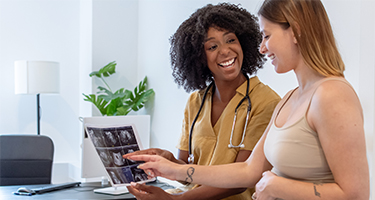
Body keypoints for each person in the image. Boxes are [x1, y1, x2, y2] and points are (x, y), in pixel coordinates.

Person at [125, 0, 370, 199]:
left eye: (267, 36)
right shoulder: (290, 99)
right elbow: (249, 171)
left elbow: (356, 194)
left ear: (295, 31)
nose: (262, 48)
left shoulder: (332, 95)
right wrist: (173, 168)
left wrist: (277, 186)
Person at [123, 3, 280, 200]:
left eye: (231, 40)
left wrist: (176, 199)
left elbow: (242, 180)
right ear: (199, 56)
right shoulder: (195, 102)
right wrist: (168, 161)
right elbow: (187, 174)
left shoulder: (266, 102)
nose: (225, 51)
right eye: (212, 46)